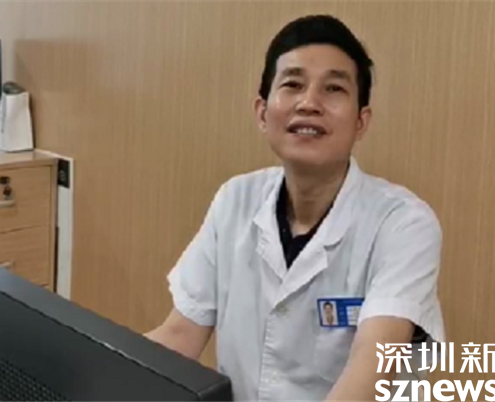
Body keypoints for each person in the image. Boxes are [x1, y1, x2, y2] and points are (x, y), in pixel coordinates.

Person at [146, 14, 444, 401]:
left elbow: (373, 363)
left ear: (361, 122)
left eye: (333, 88)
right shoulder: (235, 200)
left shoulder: (403, 224)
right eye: (293, 84)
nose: (309, 103)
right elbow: (179, 335)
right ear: (262, 112)